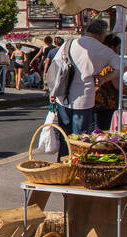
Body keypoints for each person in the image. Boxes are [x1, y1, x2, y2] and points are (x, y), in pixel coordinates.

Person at [45, 19, 117, 158]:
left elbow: (55, 67)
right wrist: (104, 78)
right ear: (102, 34)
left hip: (62, 95)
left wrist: (52, 90)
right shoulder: (104, 50)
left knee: (65, 135)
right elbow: (122, 66)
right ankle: (77, 166)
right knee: (80, 137)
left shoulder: (69, 43)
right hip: (84, 97)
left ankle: (63, 164)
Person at [93, 34, 122, 133]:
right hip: (107, 103)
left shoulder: (97, 59)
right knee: (106, 131)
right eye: (118, 47)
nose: (119, 50)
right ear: (112, 47)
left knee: (98, 130)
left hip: (97, 101)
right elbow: (118, 85)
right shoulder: (111, 64)